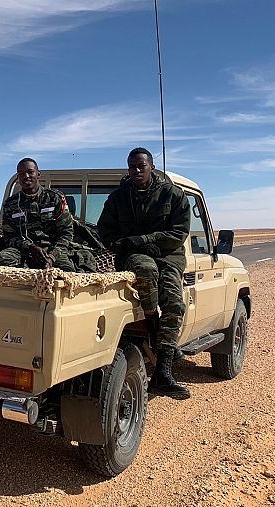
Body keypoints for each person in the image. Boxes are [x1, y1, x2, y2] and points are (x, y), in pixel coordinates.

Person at [97, 147, 192, 400]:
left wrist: (148, 238)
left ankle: (163, 372)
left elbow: (179, 234)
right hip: (134, 256)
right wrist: (127, 244)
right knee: (146, 270)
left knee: (174, 303)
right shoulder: (118, 198)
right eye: (132, 167)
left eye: (141, 166)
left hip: (168, 255)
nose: (136, 171)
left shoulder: (173, 196)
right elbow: (105, 232)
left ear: (151, 166)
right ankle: (152, 323)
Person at [0, 158, 76, 270]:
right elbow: (9, 237)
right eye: (21, 174)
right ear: (18, 178)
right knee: (3, 260)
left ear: (38, 174)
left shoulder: (54, 198)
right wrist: (30, 248)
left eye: (30, 172)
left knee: (67, 270)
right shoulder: (11, 204)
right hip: (23, 250)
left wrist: (52, 257)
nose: (26, 176)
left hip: (52, 250)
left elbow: (66, 233)